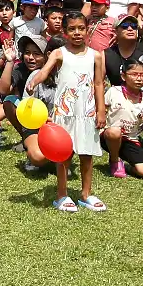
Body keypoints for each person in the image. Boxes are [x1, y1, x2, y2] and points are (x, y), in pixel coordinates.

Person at [27, 11, 107, 212]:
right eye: (72, 29)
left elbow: (98, 84)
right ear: (64, 32)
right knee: (64, 154)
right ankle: (62, 195)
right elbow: (44, 71)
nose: (77, 33)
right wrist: (34, 81)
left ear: (87, 29)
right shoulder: (58, 53)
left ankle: (86, 194)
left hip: (86, 112)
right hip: (64, 112)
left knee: (86, 154)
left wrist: (101, 110)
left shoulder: (96, 56)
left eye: (81, 28)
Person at [100, 55, 143, 180]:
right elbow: (101, 112)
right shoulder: (113, 91)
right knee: (114, 132)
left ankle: (127, 167)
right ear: (123, 76)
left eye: (142, 75)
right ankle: (114, 160)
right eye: (134, 74)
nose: (139, 79)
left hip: (131, 140)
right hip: (109, 136)